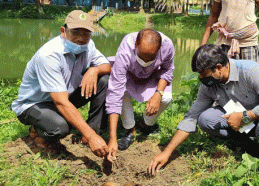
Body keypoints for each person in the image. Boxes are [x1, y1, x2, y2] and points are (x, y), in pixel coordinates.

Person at [148, 44, 259, 175]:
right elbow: (192, 116)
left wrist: (245, 116)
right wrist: (167, 152)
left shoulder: (251, 71)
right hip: (242, 120)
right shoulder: (209, 84)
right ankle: (247, 144)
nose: (201, 78)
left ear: (218, 67)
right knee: (205, 119)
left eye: (203, 74)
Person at [12, 10, 111, 158]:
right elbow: (60, 102)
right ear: (63, 31)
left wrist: (94, 70)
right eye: (75, 32)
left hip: (64, 96)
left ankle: (92, 129)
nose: (80, 38)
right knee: (60, 128)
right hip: (35, 104)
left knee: (103, 80)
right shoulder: (49, 55)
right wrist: (91, 137)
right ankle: (36, 129)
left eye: (86, 34)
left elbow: (107, 66)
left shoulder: (89, 46)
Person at [106, 29, 174, 161]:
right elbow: (115, 92)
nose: (145, 61)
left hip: (152, 77)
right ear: (136, 44)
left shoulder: (168, 46)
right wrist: (112, 138)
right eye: (142, 56)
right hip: (129, 76)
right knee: (121, 92)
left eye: (150, 58)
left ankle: (145, 124)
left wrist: (158, 94)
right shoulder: (126, 48)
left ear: (159, 49)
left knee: (166, 98)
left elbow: (168, 70)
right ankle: (129, 129)